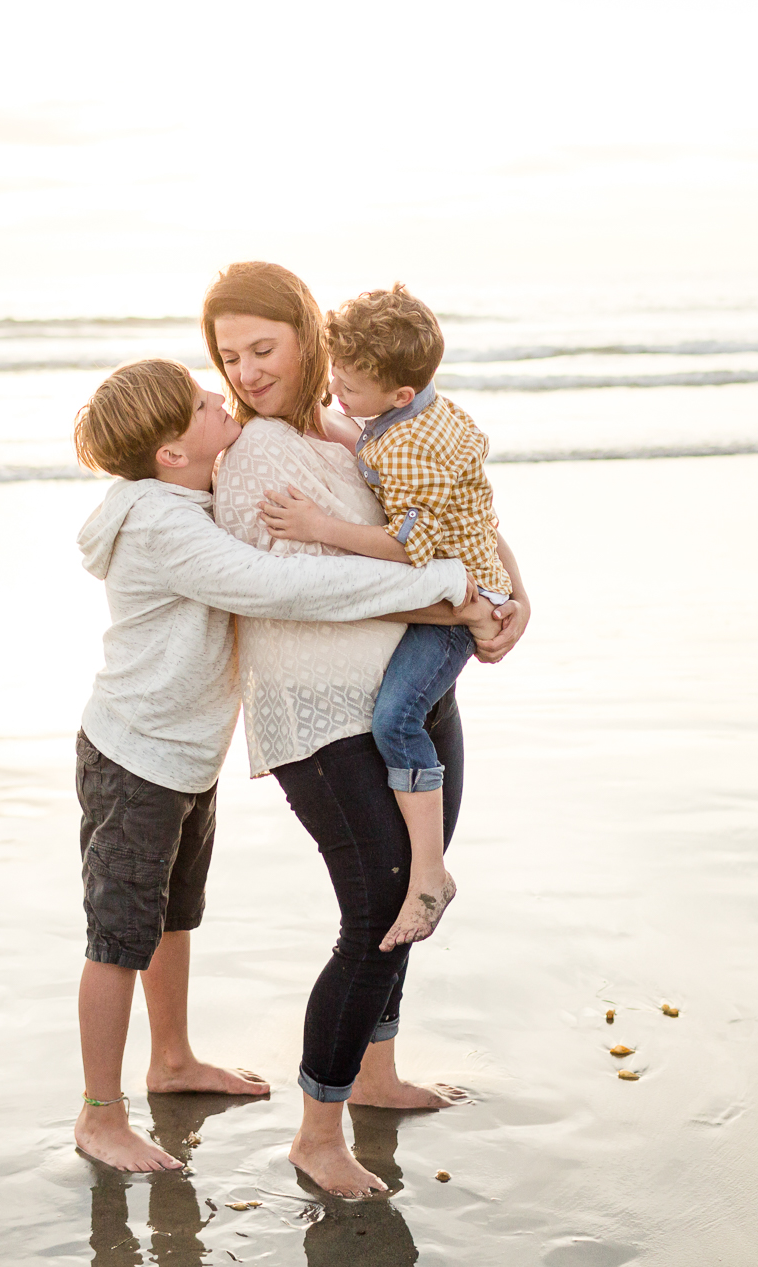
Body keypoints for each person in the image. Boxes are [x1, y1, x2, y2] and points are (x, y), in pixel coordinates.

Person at [69, 358, 475, 1173]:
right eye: (198, 403)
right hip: (135, 755)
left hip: (184, 752)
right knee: (118, 936)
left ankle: (173, 1061)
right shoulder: (161, 523)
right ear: (169, 456)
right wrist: (445, 588)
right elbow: (274, 586)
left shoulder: (182, 492)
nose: (220, 394)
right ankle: (100, 1115)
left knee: (173, 913)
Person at [203, 261, 531, 1197]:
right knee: (376, 912)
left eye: (263, 347)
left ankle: (379, 1073)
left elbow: (461, 512)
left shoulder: (358, 429)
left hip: (410, 691)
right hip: (320, 715)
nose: (249, 370)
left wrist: (512, 594)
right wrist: (458, 605)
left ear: (311, 336)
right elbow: (303, 591)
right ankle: (317, 1131)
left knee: (412, 907)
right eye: (230, 356)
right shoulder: (261, 453)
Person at [257, 283, 510, 953]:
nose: (338, 388)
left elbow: (408, 546)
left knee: (395, 717)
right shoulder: (412, 414)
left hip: (451, 605)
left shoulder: (410, 451)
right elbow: (375, 439)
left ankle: (430, 873)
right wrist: (333, 419)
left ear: (399, 396)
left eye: (352, 384)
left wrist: (319, 525)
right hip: (462, 577)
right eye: (334, 372)